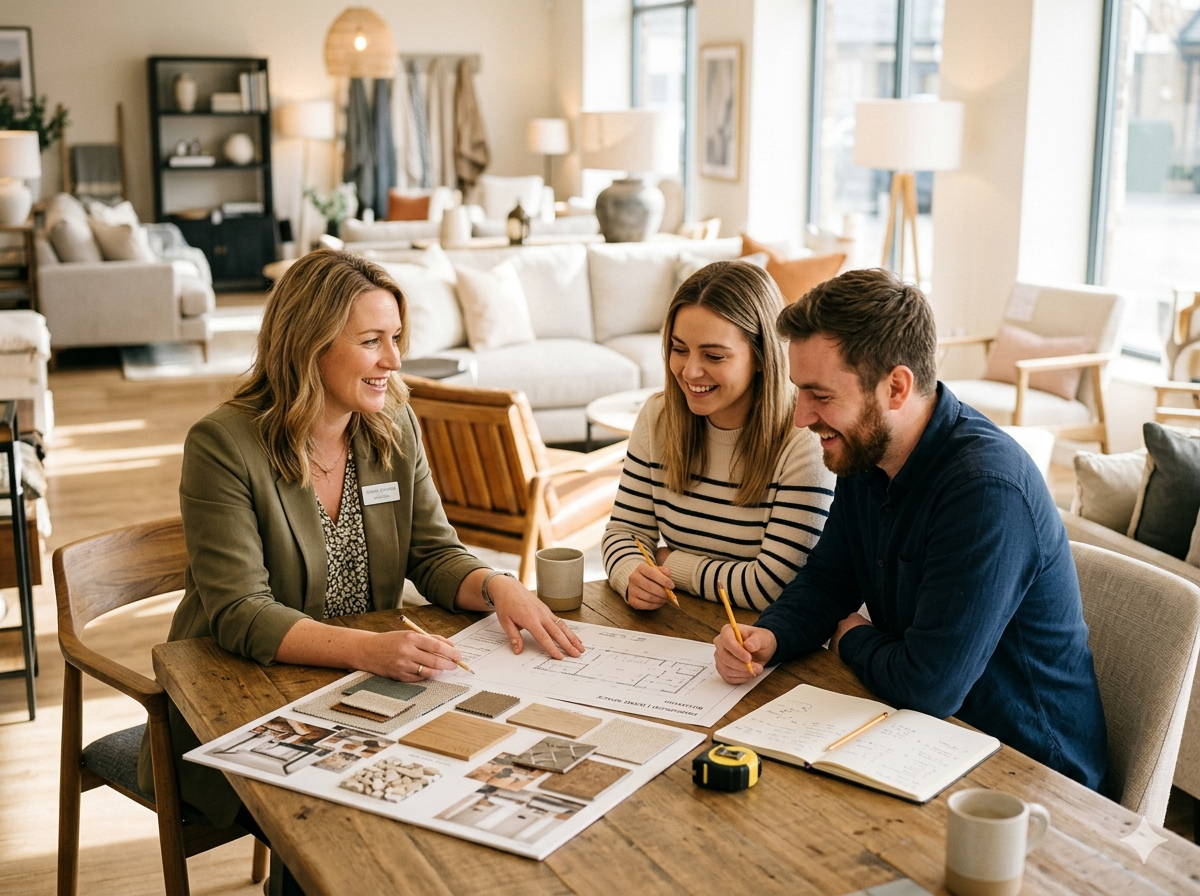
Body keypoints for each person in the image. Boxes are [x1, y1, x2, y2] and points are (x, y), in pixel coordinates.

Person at [137, 249, 582, 829]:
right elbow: (241, 613)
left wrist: (500, 587)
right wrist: (368, 649)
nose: (394, 361)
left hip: (363, 694)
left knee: (463, 782)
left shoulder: (391, 424)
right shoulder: (223, 444)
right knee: (331, 823)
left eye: (396, 338)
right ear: (309, 343)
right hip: (239, 696)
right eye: (372, 340)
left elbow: (433, 552)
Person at [713, 268, 1107, 790]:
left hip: (1031, 773)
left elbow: (929, 686)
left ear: (896, 387)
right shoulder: (866, 450)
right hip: (927, 738)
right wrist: (772, 634)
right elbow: (831, 578)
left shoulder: (984, 489)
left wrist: (849, 634)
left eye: (820, 395)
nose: (801, 418)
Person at [602, 260, 835, 611]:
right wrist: (631, 572)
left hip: (765, 640)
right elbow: (624, 532)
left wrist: (669, 563)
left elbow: (772, 586)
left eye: (713, 355)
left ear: (760, 356)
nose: (690, 370)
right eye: (679, 349)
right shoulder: (658, 416)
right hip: (679, 622)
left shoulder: (804, 437)